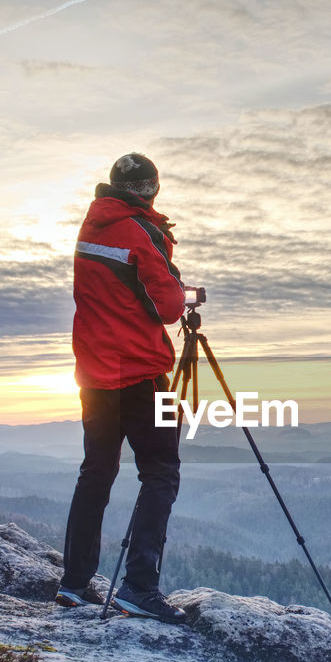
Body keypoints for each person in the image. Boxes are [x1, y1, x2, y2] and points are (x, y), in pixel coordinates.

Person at [56, 153, 188, 623]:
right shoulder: (140, 232)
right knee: (161, 471)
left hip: (94, 376)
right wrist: (177, 281)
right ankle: (139, 586)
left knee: (97, 471)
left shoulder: (91, 227)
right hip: (141, 373)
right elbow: (170, 305)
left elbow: (115, 294)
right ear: (151, 188)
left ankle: (74, 583)